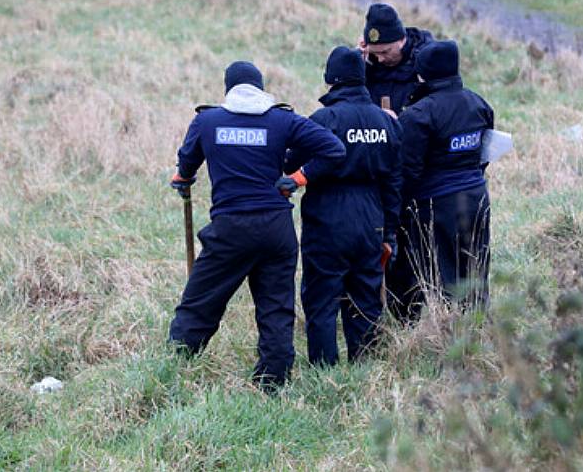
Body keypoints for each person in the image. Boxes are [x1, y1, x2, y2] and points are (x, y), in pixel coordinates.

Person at [167, 61, 345, 391]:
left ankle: (173, 367)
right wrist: (298, 178)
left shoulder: (207, 121)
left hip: (230, 229)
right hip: (277, 230)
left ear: (228, 89)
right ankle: (272, 382)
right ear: (261, 88)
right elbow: (333, 149)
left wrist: (183, 177)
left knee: (200, 302)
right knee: (276, 308)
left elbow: (187, 162)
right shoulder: (282, 119)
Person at [278, 46, 402, 366]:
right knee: (365, 297)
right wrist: (389, 233)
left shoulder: (324, 119)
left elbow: (292, 162)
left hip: (327, 217)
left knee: (321, 298)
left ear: (331, 80)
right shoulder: (386, 122)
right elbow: (394, 182)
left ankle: (324, 370)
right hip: (371, 217)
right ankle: (365, 367)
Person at [388, 40, 494, 323]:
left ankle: (448, 333)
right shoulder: (479, 103)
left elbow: (408, 171)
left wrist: (396, 210)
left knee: (440, 270)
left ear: (423, 73)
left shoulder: (419, 114)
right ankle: (478, 324)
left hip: (437, 204)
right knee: (475, 264)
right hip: (476, 197)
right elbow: (485, 152)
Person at [358, 3, 434, 116]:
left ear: (402, 40)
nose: (380, 59)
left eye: (385, 52)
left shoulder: (430, 63)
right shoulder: (367, 63)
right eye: (375, 53)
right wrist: (356, 64)